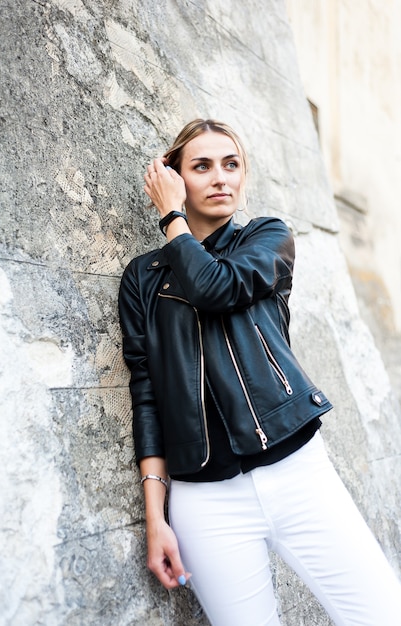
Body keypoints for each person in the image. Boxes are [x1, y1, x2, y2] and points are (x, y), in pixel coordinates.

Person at [118, 119, 401, 626]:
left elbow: (215, 287)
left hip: (298, 473)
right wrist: (156, 516)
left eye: (232, 164)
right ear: (175, 177)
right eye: (201, 166)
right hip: (204, 500)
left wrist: (171, 218)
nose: (221, 178)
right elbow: (147, 394)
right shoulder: (143, 277)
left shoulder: (268, 238)